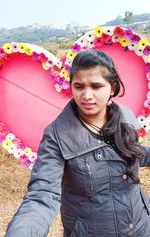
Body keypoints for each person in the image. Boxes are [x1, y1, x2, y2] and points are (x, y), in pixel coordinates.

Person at [5, 49, 150, 237]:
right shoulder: (56, 136)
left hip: (141, 226)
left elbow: (133, 152)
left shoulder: (124, 116)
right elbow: (42, 195)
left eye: (96, 86)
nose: (86, 95)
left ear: (112, 88)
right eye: (79, 86)